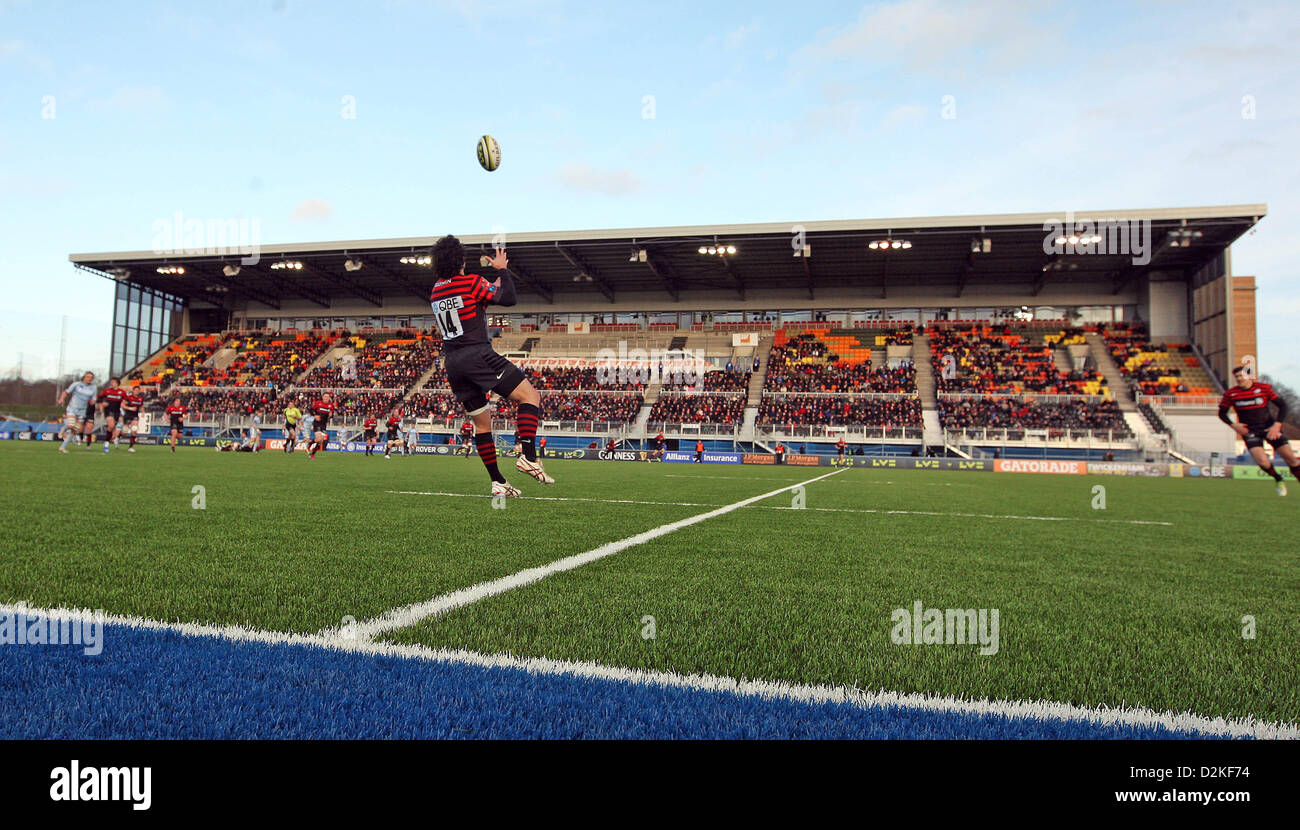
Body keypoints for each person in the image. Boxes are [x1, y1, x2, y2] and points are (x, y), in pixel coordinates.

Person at [429, 237, 551, 496]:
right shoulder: (471, 281)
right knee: (530, 396)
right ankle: (528, 457)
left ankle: (498, 482)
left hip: (453, 363)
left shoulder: (437, 289)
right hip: (477, 354)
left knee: (482, 425)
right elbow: (508, 299)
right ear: (461, 259)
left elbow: (470, 305)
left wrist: (487, 290)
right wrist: (502, 270)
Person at [1219, 365, 1298, 496]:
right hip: (1250, 431)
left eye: (1241, 375)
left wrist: (1277, 424)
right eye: (1236, 376)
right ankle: (1278, 479)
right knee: (1262, 461)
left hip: (1269, 427)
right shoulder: (1231, 394)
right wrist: (1234, 425)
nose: (1238, 378)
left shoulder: (1263, 388)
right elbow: (1222, 413)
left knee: (1290, 458)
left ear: (1250, 376)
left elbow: (1282, 405)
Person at [56, 372, 97, 454]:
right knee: (71, 425)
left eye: (91, 377)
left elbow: (94, 399)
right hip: (72, 408)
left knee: (74, 430)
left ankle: (62, 447)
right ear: (84, 377)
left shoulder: (93, 388)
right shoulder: (76, 384)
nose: (89, 378)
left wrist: (93, 402)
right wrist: (61, 399)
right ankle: (63, 428)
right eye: (88, 377)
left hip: (83, 410)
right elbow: (66, 392)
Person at [97, 377, 125, 454]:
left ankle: (107, 442)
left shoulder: (122, 392)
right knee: (111, 425)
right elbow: (99, 399)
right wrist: (101, 406)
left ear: (117, 383)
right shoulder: (107, 391)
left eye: (113, 382)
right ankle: (106, 443)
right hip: (108, 411)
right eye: (111, 382)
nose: (111, 383)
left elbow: (126, 400)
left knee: (114, 433)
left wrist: (125, 404)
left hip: (117, 412)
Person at [308, 392, 334, 460]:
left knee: (320, 442)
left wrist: (331, 415)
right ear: (322, 397)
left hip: (323, 425)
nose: (326, 398)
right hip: (317, 423)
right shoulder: (318, 403)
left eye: (328, 397)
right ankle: (310, 444)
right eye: (325, 396)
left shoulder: (331, 405)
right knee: (319, 439)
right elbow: (311, 410)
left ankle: (312, 454)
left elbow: (331, 415)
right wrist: (315, 415)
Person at [120, 385, 143, 453]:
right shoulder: (128, 398)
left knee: (134, 430)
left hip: (135, 416)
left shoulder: (140, 398)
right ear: (133, 391)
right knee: (125, 432)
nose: (136, 391)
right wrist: (130, 408)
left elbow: (141, 406)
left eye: (138, 390)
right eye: (135, 390)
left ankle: (131, 447)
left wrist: (143, 411)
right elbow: (122, 405)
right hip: (128, 416)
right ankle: (118, 437)